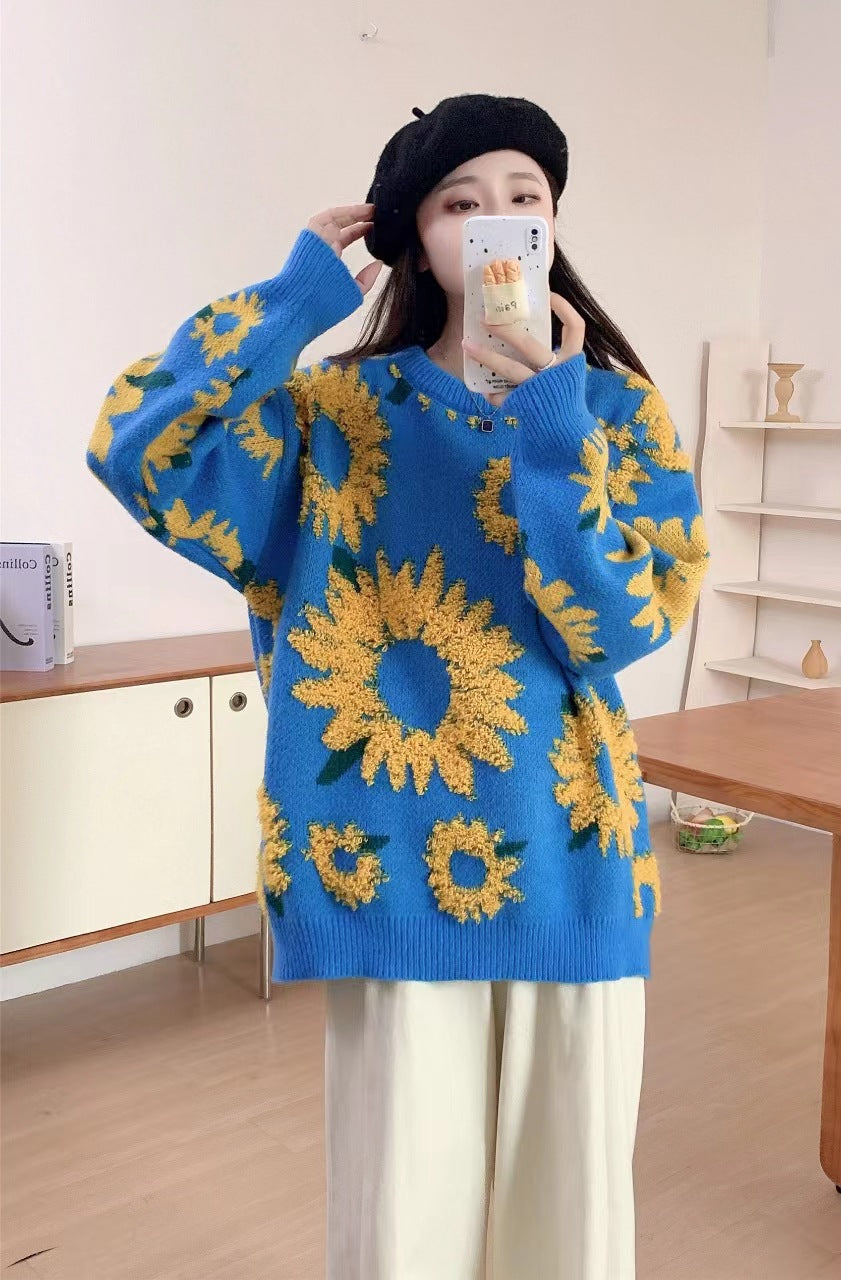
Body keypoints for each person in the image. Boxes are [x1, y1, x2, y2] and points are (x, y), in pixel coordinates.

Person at [88, 94, 709, 1280]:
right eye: (457, 202)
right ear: (414, 239)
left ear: (552, 222)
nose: (495, 220)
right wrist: (294, 299)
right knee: (400, 1231)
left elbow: (618, 627)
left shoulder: (611, 409)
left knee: (569, 1228)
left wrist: (550, 423)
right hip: (385, 858)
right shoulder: (333, 415)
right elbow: (142, 450)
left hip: (572, 852)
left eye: (523, 197)